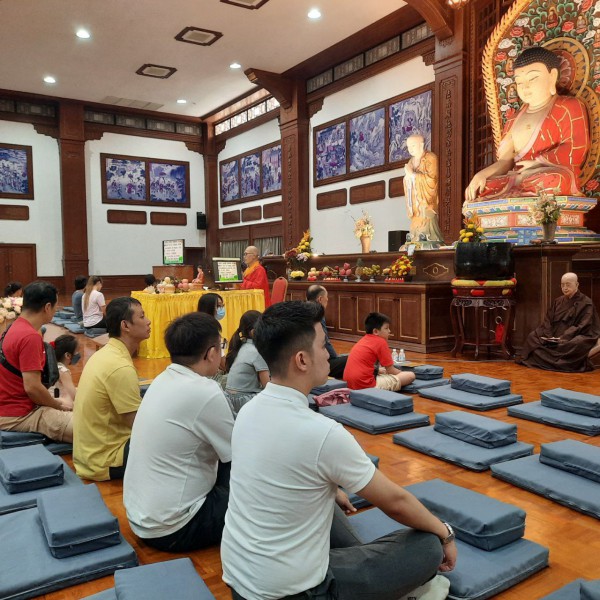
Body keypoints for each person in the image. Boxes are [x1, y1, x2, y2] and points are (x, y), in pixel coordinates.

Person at [221, 301, 456, 600]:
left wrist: (330, 489)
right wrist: (445, 533)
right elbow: (396, 502)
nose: (328, 354)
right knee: (428, 546)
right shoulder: (323, 433)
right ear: (302, 360)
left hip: (240, 583)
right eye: (323, 345)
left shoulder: (248, 411)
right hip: (296, 593)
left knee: (327, 499)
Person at [123, 312, 234, 552]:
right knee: (263, 485)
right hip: (175, 528)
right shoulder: (206, 391)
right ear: (211, 353)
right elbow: (237, 454)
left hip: (140, 517)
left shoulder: (162, 379)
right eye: (221, 346)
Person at [465, 47, 590, 202]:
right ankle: (516, 192)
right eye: (519, 82)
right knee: (484, 187)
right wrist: (482, 175)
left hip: (548, 174)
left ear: (552, 76)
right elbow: (505, 161)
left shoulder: (568, 106)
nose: (525, 86)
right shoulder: (513, 120)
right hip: (518, 177)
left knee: (552, 180)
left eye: (533, 78)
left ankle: (520, 193)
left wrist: (538, 163)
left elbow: (576, 147)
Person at [73, 297, 151, 481]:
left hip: (89, 454)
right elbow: (140, 426)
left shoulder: (105, 354)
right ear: (126, 325)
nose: (148, 321)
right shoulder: (119, 366)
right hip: (105, 459)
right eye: (142, 316)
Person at [0, 281, 73, 442]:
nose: (55, 310)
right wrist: (57, 406)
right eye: (55, 306)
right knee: (89, 431)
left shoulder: (13, 327)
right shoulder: (30, 336)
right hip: (19, 413)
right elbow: (32, 388)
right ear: (47, 307)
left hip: (9, 405)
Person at [517, 272, 600, 372]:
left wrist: (564, 337)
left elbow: (584, 324)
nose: (565, 288)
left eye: (568, 285)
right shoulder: (558, 301)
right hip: (554, 335)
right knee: (532, 336)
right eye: (562, 285)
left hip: (574, 335)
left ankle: (556, 363)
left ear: (577, 284)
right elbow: (548, 320)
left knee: (577, 343)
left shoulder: (586, 302)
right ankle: (548, 360)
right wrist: (548, 335)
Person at [343, 312, 415, 391]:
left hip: (349, 383)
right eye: (386, 328)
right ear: (376, 331)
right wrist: (402, 373)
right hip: (365, 385)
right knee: (410, 375)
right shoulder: (381, 342)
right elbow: (391, 370)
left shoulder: (363, 339)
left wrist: (378, 371)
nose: (389, 331)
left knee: (382, 371)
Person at [224, 310, 269, 415]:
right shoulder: (256, 352)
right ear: (253, 332)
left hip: (231, 399)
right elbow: (268, 386)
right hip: (244, 400)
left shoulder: (241, 347)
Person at [405, 134, 444, 242]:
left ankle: (428, 237)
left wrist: (413, 175)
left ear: (421, 145)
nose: (410, 149)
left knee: (426, 222)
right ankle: (415, 238)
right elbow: (408, 180)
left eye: (413, 145)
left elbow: (432, 180)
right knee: (416, 224)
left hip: (426, 200)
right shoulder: (411, 161)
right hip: (416, 203)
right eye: (408, 146)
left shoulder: (430, 158)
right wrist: (408, 178)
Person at [306, 284, 348, 379]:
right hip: (319, 364)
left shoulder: (301, 311)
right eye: (327, 298)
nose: (327, 300)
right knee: (354, 358)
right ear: (320, 299)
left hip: (304, 362)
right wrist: (335, 358)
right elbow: (325, 342)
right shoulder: (318, 314)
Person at [48, 334, 80, 405]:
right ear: (67, 355)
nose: (78, 354)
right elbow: (74, 396)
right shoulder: (63, 371)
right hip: (58, 402)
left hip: (51, 398)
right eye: (77, 351)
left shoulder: (52, 364)